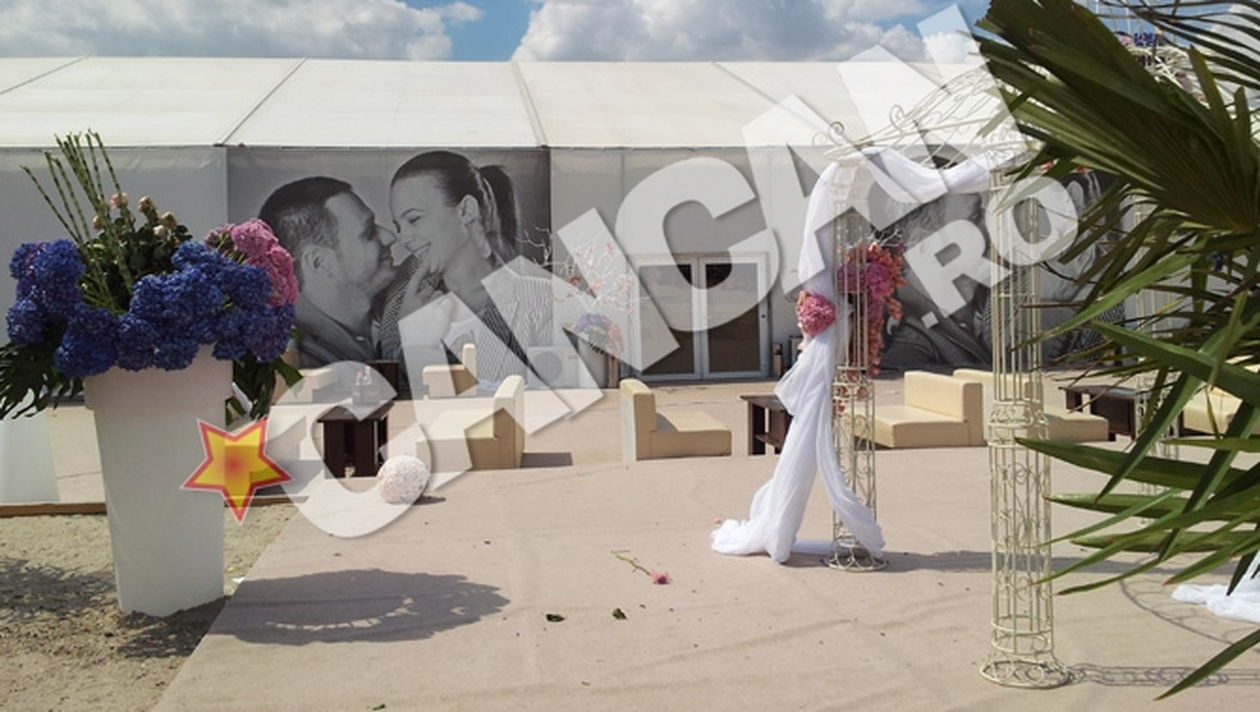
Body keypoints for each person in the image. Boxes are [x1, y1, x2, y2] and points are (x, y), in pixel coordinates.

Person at [382, 151, 552, 386]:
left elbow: (559, 397)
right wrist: (415, 345)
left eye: (414, 219)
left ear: (466, 211)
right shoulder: (400, 310)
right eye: (398, 226)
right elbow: (398, 397)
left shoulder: (543, 301)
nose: (404, 239)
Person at [259, 176, 399, 368]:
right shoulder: (290, 360)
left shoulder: (405, 295)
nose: (390, 237)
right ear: (320, 263)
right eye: (368, 233)